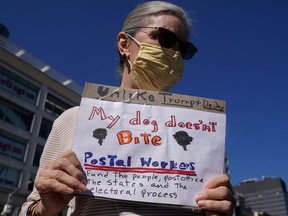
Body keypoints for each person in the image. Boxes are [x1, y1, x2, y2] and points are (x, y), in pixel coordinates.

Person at [20, 1, 235, 215]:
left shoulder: (198, 133)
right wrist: (44, 208)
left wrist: (218, 207)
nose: (174, 53)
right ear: (124, 44)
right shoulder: (74, 120)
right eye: (165, 39)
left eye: (184, 48)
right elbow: (29, 209)